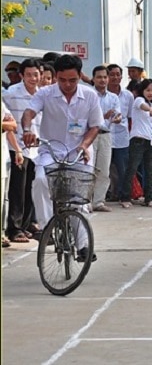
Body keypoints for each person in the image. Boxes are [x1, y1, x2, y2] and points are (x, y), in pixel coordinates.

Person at [21, 55, 103, 260]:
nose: (67, 84)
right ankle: (48, 226)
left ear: (79, 77)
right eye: (63, 80)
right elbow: (29, 113)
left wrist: (84, 145)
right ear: (56, 76)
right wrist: (27, 128)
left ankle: (84, 247)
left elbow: (95, 126)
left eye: (73, 80)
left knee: (78, 201)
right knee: (40, 181)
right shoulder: (46, 94)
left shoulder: (90, 96)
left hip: (78, 154)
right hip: (50, 151)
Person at [3, 58, 42, 242]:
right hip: (16, 146)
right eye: (29, 75)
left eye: (36, 74)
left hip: (37, 149)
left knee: (31, 188)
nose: (33, 78)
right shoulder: (11, 94)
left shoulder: (43, 95)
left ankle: (26, 226)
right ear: (21, 76)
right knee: (17, 189)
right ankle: (14, 228)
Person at [119, 78, 152, 209]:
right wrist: (150, 110)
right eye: (148, 90)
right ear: (142, 90)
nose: (150, 93)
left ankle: (149, 199)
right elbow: (143, 107)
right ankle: (125, 197)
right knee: (132, 169)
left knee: (150, 171)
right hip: (137, 140)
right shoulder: (139, 101)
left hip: (150, 141)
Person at [90, 65, 121, 213]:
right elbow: (87, 117)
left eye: (104, 77)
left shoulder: (113, 97)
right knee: (89, 169)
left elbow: (117, 115)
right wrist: (104, 116)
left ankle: (98, 201)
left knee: (104, 170)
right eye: (99, 77)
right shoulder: (89, 95)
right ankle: (86, 202)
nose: (102, 80)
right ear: (93, 79)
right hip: (91, 135)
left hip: (106, 135)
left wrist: (117, 118)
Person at [106, 64, 135, 202]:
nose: (115, 77)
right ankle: (103, 196)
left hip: (122, 137)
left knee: (123, 169)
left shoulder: (128, 95)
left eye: (118, 74)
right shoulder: (100, 95)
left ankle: (124, 197)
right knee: (103, 169)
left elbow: (130, 117)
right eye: (112, 74)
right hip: (104, 135)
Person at [2, 99, 24, 247]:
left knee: (4, 197)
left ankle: (2, 233)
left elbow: (13, 126)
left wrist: (18, 150)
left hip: (4, 156)